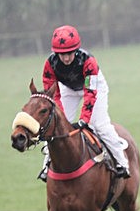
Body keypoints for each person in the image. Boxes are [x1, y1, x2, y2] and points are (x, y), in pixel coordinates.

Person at [39, 25, 129, 181]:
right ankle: (46, 166)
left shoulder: (88, 61)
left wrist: (84, 120)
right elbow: (53, 95)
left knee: (99, 125)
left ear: (76, 50)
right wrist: (60, 116)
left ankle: (122, 163)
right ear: (56, 53)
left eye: (69, 53)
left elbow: (90, 92)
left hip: (94, 88)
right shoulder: (49, 64)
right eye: (62, 54)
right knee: (54, 125)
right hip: (68, 89)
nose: (66, 58)